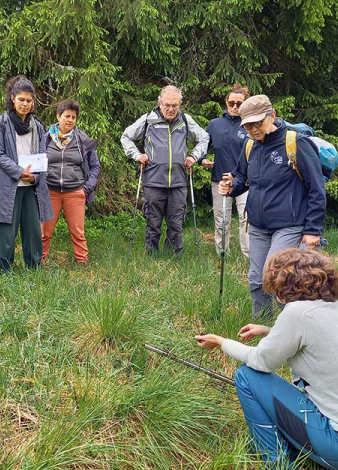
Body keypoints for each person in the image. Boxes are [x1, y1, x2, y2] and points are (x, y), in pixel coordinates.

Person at [195, 249, 338, 470]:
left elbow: (260, 361)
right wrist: (269, 330)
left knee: (246, 376)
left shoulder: (297, 313)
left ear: (284, 285)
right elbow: (312, 338)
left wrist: (222, 342)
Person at [218, 95, 326, 318]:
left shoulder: (295, 143)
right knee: (256, 280)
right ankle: (262, 329)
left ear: (272, 115)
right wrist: (231, 186)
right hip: (257, 225)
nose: (252, 129)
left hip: (289, 225)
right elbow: (241, 177)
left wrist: (312, 230)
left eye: (257, 123)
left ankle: (292, 328)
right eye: (247, 125)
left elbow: (317, 189)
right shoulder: (250, 145)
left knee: (278, 276)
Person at [120, 85, 209, 254]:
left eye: (174, 105)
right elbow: (126, 137)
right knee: (153, 221)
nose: (170, 109)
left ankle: (174, 255)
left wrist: (194, 157)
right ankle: (151, 254)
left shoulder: (185, 120)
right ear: (159, 102)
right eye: (167, 105)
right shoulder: (148, 120)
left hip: (178, 181)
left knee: (176, 222)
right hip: (153, 180)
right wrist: (137, 155)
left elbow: (204, 138)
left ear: (180, 104)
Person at [0, 76, 53, 272]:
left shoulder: (37, 126)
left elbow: (43, 155)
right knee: (6, 232)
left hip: (32, 186)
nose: (25, 104)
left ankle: (34, 269)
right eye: (21, 100)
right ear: (12, 98)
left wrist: (35, 176)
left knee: (33, 231)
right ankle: (5, 270)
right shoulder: (0, 122)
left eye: (29, 100)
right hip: (9, 185)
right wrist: (19, 172)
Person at [41, 100, 100, 264]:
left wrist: (87, 188)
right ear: (58, 116)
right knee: (44, 232)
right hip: (50, 191)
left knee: (78, 231)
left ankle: (82, 262)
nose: (70, 120)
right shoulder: (45, 139)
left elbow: (95, 166)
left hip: (75, 192)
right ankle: (39, 261)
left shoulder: (82, 140)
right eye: (67, 116)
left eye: (73, 117)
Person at [202, 84, 250, 258]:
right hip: (220, 179)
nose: (235, 107)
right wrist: (202, 159)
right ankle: (223, 254)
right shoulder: (214, 124)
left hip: (245, 180)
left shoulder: (249, 125)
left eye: (239, 104)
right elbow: (203, 147)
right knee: (221, 220)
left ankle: (249, 257)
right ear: (226, 102)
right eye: (232, 103)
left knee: (246, 220)